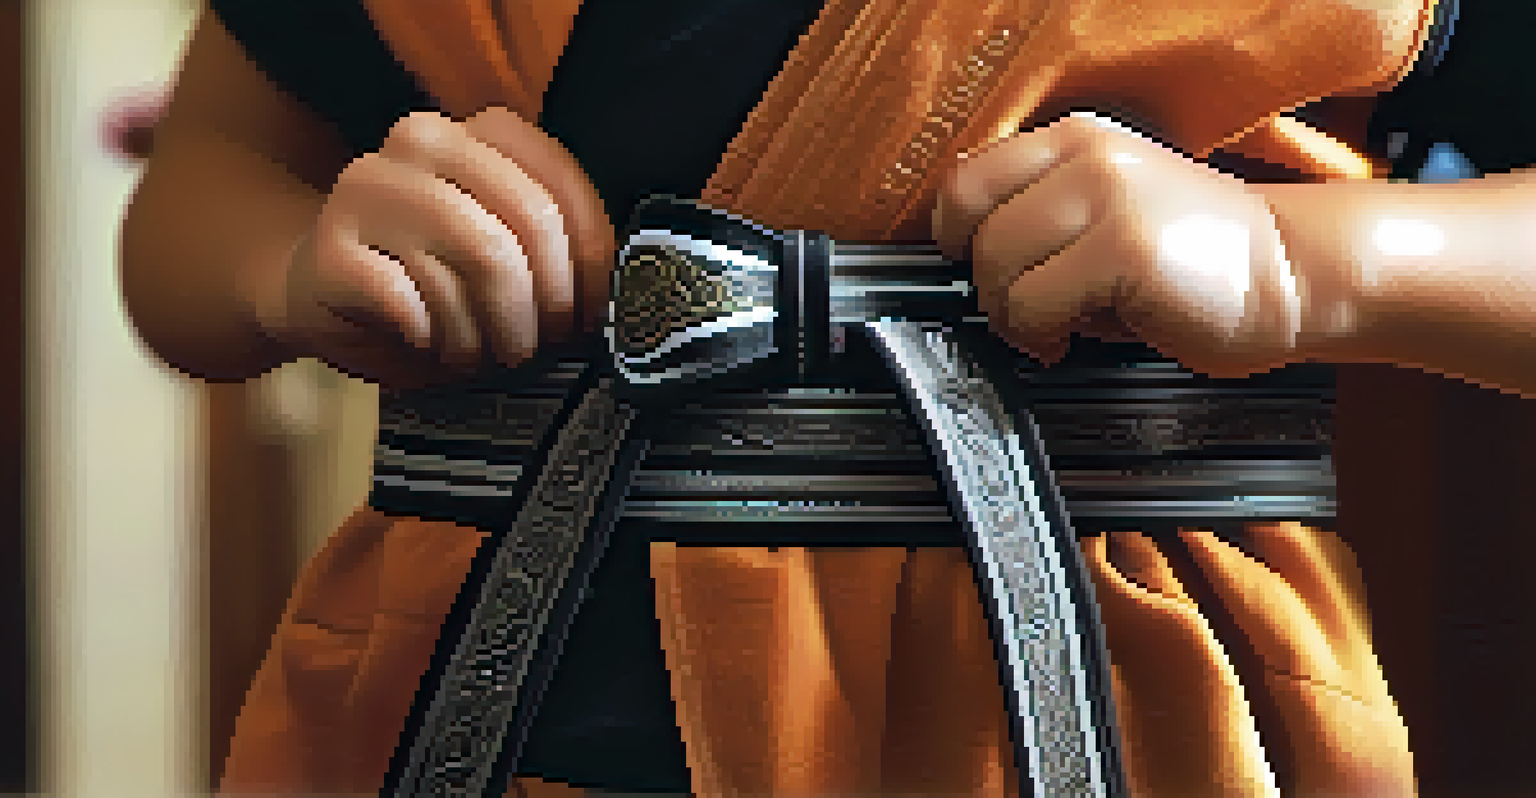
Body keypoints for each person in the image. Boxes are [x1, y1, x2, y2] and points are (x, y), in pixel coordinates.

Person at [118, 0, 1533, 794]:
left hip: (1135, 715)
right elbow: (193, 209)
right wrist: (291, 263)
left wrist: (1303, 261)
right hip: (489, 710)